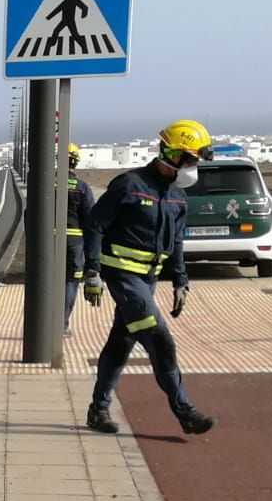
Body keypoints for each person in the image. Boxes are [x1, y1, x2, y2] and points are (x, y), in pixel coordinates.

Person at [82, 120, 217, 437]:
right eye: (191, 159)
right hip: (123, 277)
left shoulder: (177, 196)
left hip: (149, 279)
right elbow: (95, 226)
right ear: (171, 153)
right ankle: (184, 411)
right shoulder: (129, 185)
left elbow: (178, 241)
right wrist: (92, 271)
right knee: (161, 341)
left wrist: (181, 279)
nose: (193, 167)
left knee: (121, 342)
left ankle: (98, 409)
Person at [63, 144, 96, 334]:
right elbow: (91, 220)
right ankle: (62, 324)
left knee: (45, 280)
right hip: (75, 244)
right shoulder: (82, 188)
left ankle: (42, 325)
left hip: (48, 241)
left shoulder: (44, 183)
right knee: (70, 282)